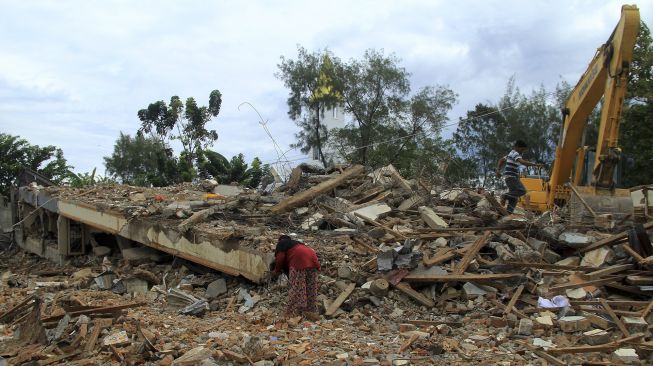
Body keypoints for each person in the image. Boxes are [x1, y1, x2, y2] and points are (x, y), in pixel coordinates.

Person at [273, 235, 321, 318]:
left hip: (299, 263)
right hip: (312, 262)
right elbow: (310, 252)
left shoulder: (282, 243)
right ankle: (310, 310)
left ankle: (291, 312)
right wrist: (318, 266)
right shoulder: (298, 243)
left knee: (296, 288)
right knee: (310, 288)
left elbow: (280, 258)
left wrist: (276, 271)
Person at [496, 140, 542, 213]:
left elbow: (501, 160)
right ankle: (505, 196)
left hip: (509, 177)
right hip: (512, 177)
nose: (522, 152)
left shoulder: (510, 153)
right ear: (516, 147)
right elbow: (523, 162)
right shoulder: (515, 153)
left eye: (523, 150)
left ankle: (508, 213)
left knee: (514, 197)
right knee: (522, 190)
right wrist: (535, 165)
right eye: (522, 149)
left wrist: (498, 170)